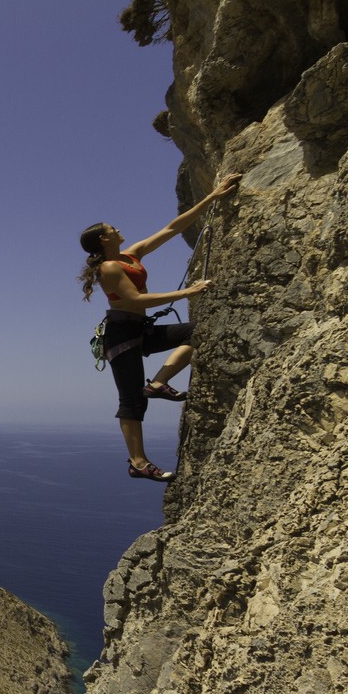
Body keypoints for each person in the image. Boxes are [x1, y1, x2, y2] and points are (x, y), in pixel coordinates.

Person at [78, 173, 241, 482]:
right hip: (122, 336)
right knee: (131, 401)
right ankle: (138, 462)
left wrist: (213, 196)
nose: (119, 229)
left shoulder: (130, 255)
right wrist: (188, 292)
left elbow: (171, 227)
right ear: (104, 239)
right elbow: (135, 298)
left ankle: (157, 384)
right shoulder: (110, 268)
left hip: (138, 329)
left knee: (199, 332)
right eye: (114, 228)